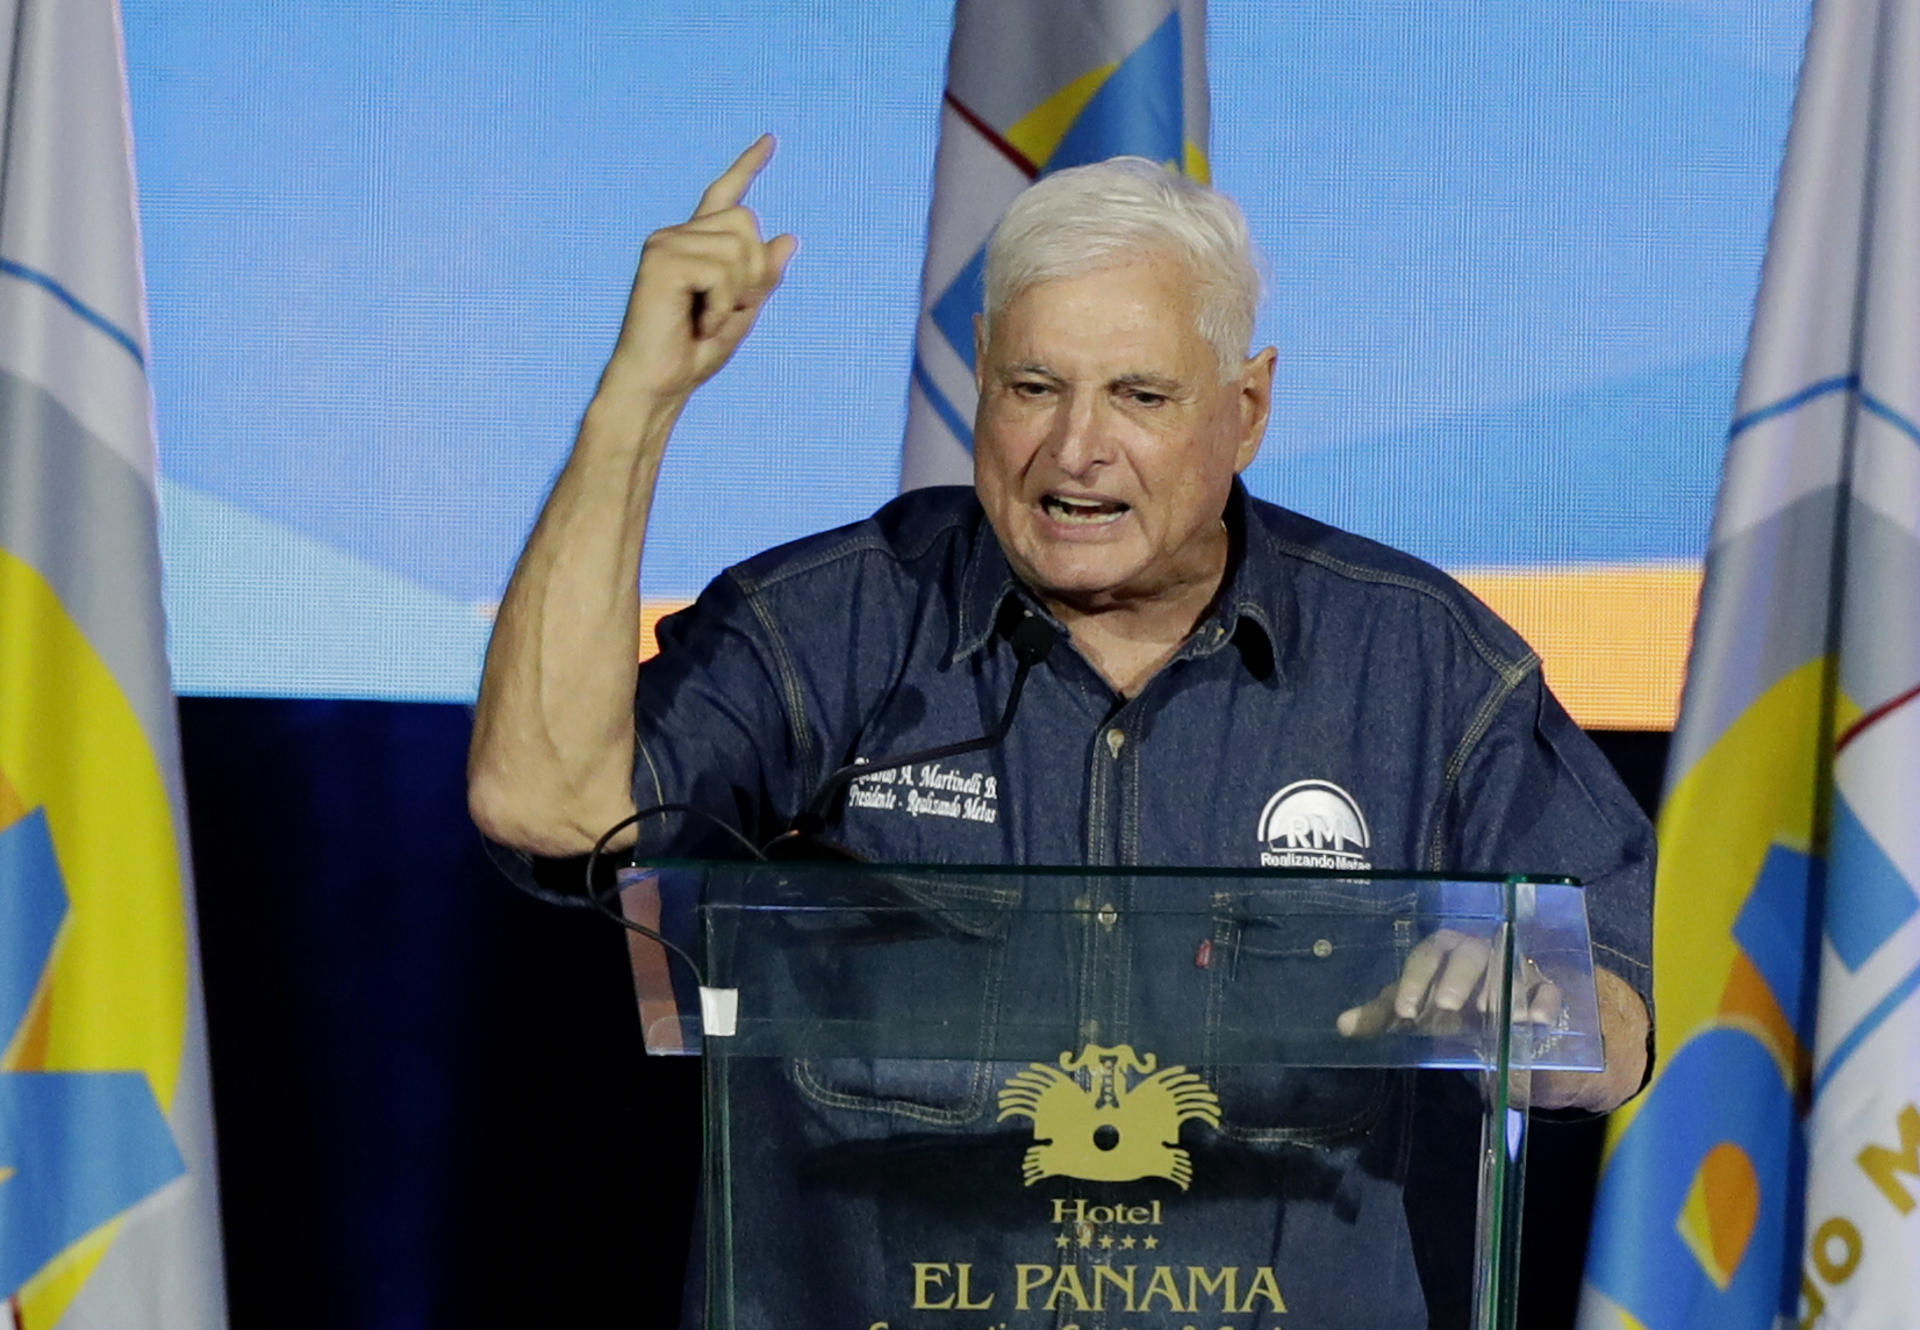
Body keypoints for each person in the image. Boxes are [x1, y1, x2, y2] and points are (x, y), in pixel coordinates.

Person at [468, 137, 1654, 1324]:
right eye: (1033, 387)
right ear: (982, 374)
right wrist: (636, 402)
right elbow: (544, 802)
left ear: (1246, 409)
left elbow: (1616, 1021)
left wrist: (1525, 1005)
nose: (1076, 447)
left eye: (1140, 396)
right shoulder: (831, 628)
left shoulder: (1416, 661)